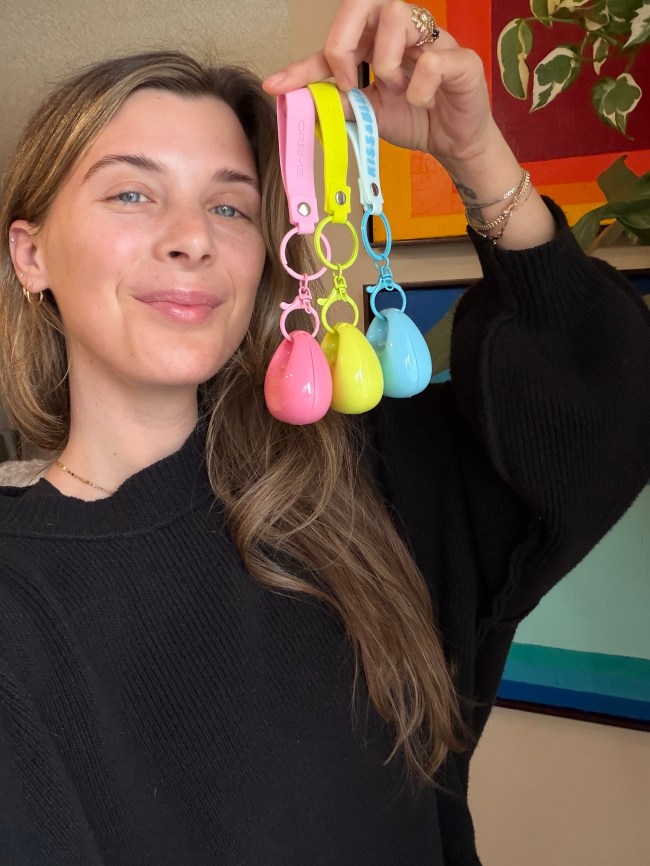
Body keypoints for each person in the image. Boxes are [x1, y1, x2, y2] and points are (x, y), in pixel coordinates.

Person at [0, 0, 648, 862]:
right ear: (30, 254)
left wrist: (476, 155)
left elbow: (604, 417)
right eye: (132, 193)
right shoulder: (19, 595)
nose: (192, 238)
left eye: (230, 209)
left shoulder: (364, 487)